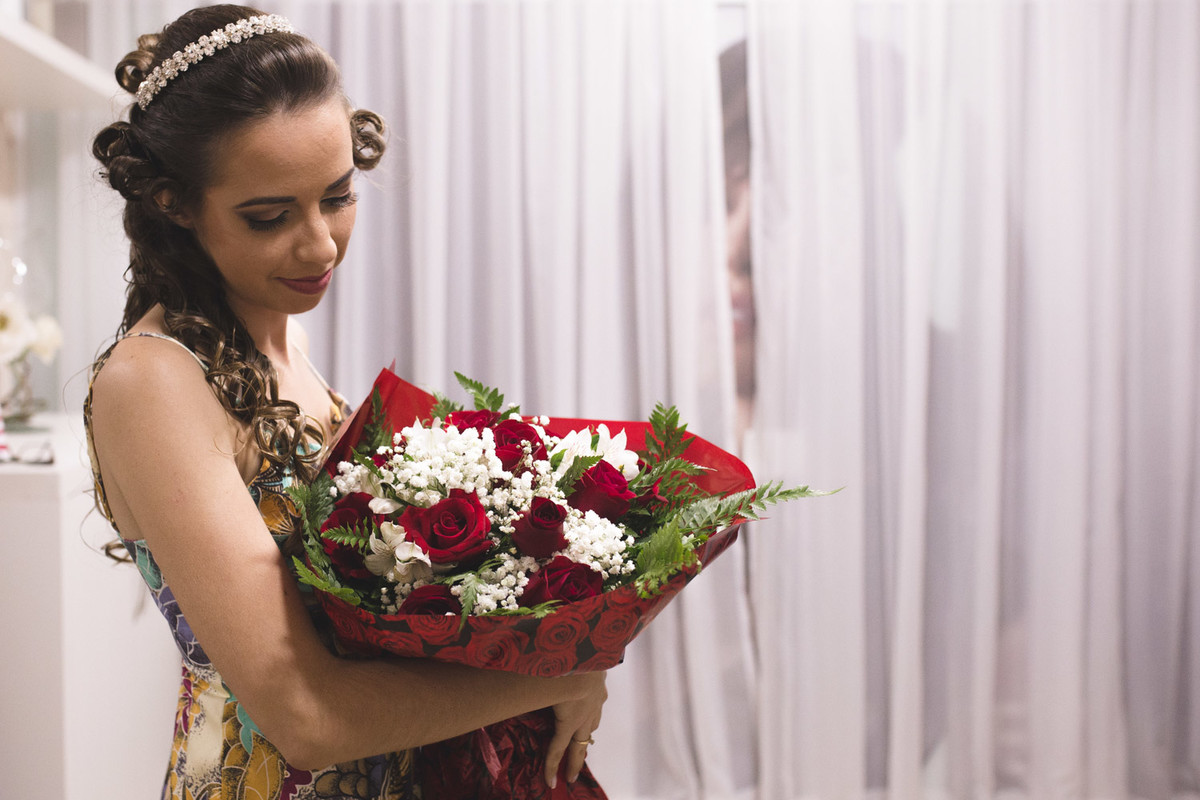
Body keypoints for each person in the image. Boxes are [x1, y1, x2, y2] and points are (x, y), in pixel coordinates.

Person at [84, 6, 607, 798]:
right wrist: (557, 677)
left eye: (336, 196)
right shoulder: (152, 381)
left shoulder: (283, 349)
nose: (321, 244)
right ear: (173, 203)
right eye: (269, 217)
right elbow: (303, 718)